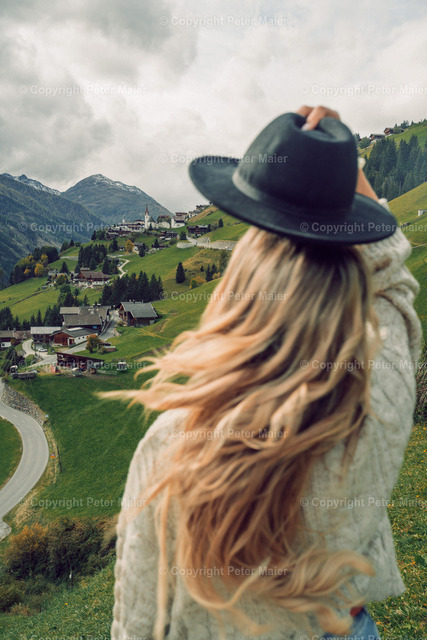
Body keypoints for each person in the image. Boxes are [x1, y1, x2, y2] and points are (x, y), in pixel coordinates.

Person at [109, 105, 422, 640]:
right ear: (347, 293)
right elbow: (396, 284)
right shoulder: (373, 402)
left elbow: (138, 623)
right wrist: (341, 171)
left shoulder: (175, 446)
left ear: (244, 279)